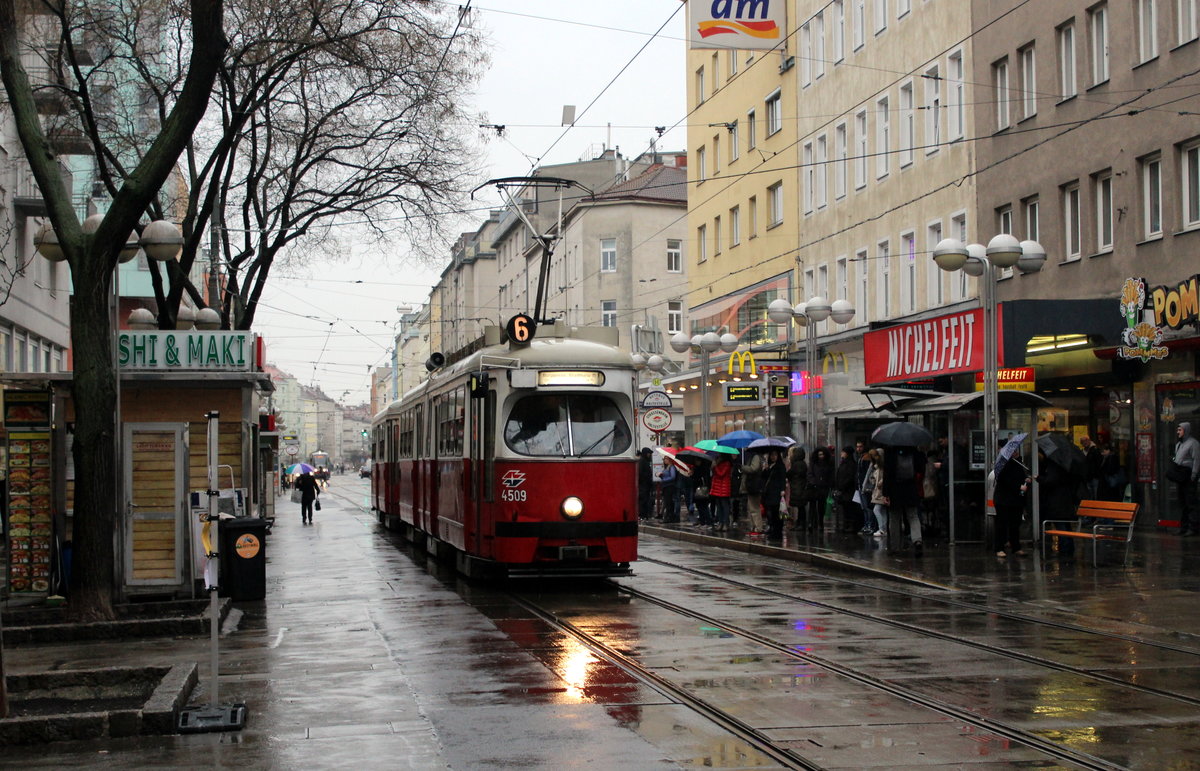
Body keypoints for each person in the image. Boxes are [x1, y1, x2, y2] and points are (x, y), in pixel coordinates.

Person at [882, 444, 926, 555]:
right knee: (913, 516)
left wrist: (885, 493)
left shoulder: (891, 452)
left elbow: (887, 474)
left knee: (894, 518)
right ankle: (917, 540)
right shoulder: (913, 450)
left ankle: (895, 546)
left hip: (895, 489)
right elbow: (921, 468)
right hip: (911, 488)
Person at [1038, 449, 1081, 558]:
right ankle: (1069, 548)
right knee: (1065, 525)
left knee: (1061, 525)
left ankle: (1065, 550)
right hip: (1065, 500)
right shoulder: (1065, 465)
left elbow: (1050, 481)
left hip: (1057, 501)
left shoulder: (1054, 466)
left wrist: (1039, 478)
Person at [992, 441, 1030, 557]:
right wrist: (1018, 486)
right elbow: (1004, 480)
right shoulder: (1003, 464)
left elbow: (1020, 476)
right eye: (1014, 451)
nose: (1016, 452)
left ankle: (1016, 547)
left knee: (1015, 524)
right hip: (1004, 499)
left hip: (1016, 500)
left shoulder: (1019, 463)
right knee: (1002, 524)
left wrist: (1026, 480)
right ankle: (1000, 547)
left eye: (1016, 450)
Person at [1171, 422, 1200, 536]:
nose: (1178, 432)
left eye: (1180, 430)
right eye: (1178, 430)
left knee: (1191, 502)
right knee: (1182, 502)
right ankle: (1184, 526)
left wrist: (1194, 474)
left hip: (1189, 475)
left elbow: (1197, 460)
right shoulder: (1179, 444)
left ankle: (1193, 528)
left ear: (1186, 430)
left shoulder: (1193, 443)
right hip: (1180, 475)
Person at [761, 449, 788, 541]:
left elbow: (783, 478)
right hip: (769, 493)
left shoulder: (780, 466)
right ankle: (773, 530)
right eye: (771, 455)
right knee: (771, 513)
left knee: (777, 513)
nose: (773, 457)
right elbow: (764, 477)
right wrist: (766, 469)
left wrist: (782, 489)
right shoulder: (769, 466)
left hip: (777, 493)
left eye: (775, 455)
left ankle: (777, 532)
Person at [806, 447, 834, 532]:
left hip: (823, 488)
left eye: (822, 454)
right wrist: (813, 482)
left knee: (821, 507)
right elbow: (810, 474)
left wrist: (828, 484)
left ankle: (820, 523)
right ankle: (812, 522)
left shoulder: (828, 463)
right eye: (819, 454)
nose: (820, 456)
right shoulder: (813, 463)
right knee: (812, 506)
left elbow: (830, 475)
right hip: (814, 488)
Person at [834, 446, 862, 533]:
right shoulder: (844, 463)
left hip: (849, 490)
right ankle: (846, 525)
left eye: (843, 452)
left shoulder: (851, 464)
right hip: (843, 490)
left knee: (850, 508)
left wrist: (842, 486)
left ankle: (851, 526)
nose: (841, 454)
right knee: (845, 508)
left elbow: (850, 477)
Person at [740, 450, 767, 535]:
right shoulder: (758, 457)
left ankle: (758, 527)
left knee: (754, 508)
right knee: (752, 507)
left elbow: (753, 468)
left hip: (754, 485)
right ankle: (754, 526)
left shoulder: (755, 457)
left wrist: (743, 467)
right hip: (754, 485)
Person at [710, 455, 734, 532]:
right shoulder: (717, 462)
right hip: (717, 487)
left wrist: (715, 466)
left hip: (724, 487)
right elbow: (714, 474)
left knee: (724, 506)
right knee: (719, 507)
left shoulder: (727, 463)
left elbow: (721, 474)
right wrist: (713, 467)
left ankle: (725, 523)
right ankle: (720, 523)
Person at [786, 447, 808, 531]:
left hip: (797, 488)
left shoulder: (796, 464)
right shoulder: (803, 464)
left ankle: (800, 524)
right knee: (801, 507)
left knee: (800, 508)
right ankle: (801, 523)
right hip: (800, 487)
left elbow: (789, 474)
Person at [867, 449, 887, 538]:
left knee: (877, 510)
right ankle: (883, 529)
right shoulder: (876, 467)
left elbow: (884, 477)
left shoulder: (882, 467)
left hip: (880, 491)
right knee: (882, 511)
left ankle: (882, 529)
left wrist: (880, 482)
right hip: (877, 490)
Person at [637, 448, 654, 520]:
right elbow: (640, 473)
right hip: (643, 485)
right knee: (643, 500)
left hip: (646, 485)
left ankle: (645, 515)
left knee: (646, 500)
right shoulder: (642, 461)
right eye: (648, 453)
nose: (649, 455)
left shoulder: (646, 461)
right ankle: (642, 515)